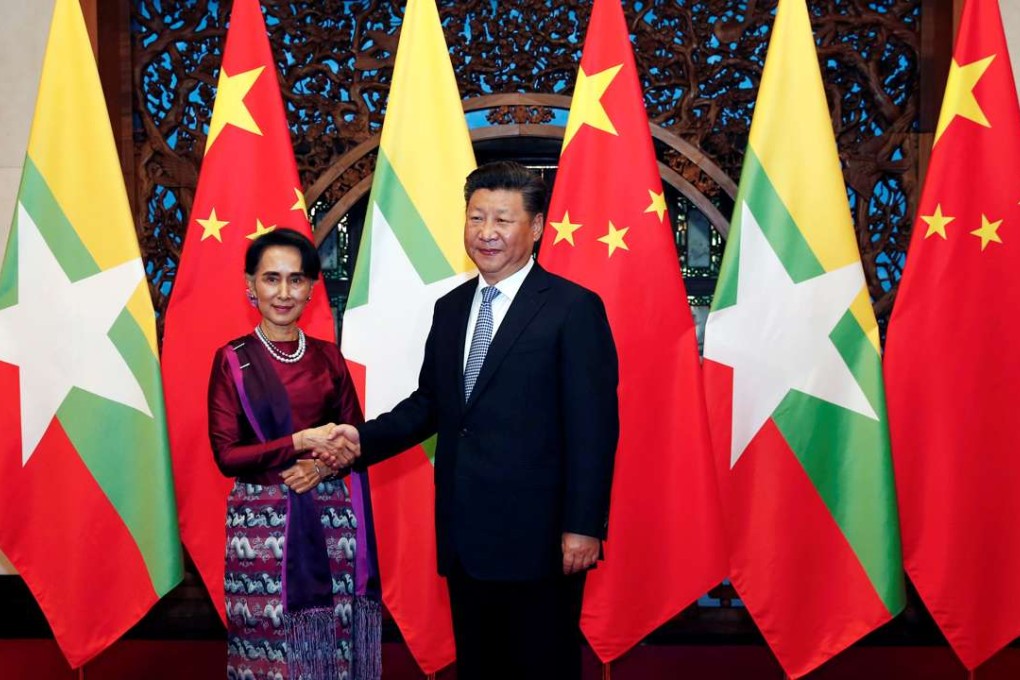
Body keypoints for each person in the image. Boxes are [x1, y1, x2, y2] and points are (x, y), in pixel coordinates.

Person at [331, 161, 619, 680]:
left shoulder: (573, 309)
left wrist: (583, 524)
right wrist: (359, 439)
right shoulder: (451, 308)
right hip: (466, 535)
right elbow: (432, 405)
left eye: (503, 220)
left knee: (542, 667)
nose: (486, 233)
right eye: (476, 217)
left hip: (542, 540)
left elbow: (594, 428)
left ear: (534, 229)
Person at [206, 228, 378, 680]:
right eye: (271, 279)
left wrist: (319, 468)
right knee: (268, 645)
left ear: (312, 289)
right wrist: (299, 444)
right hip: (260, 530)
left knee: (332, 642)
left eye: (296, 280)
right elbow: (227, 456)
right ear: (250, 285)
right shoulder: (232, 360)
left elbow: (354, 438)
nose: (284, 292)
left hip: (331, 522)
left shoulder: (328, 358)